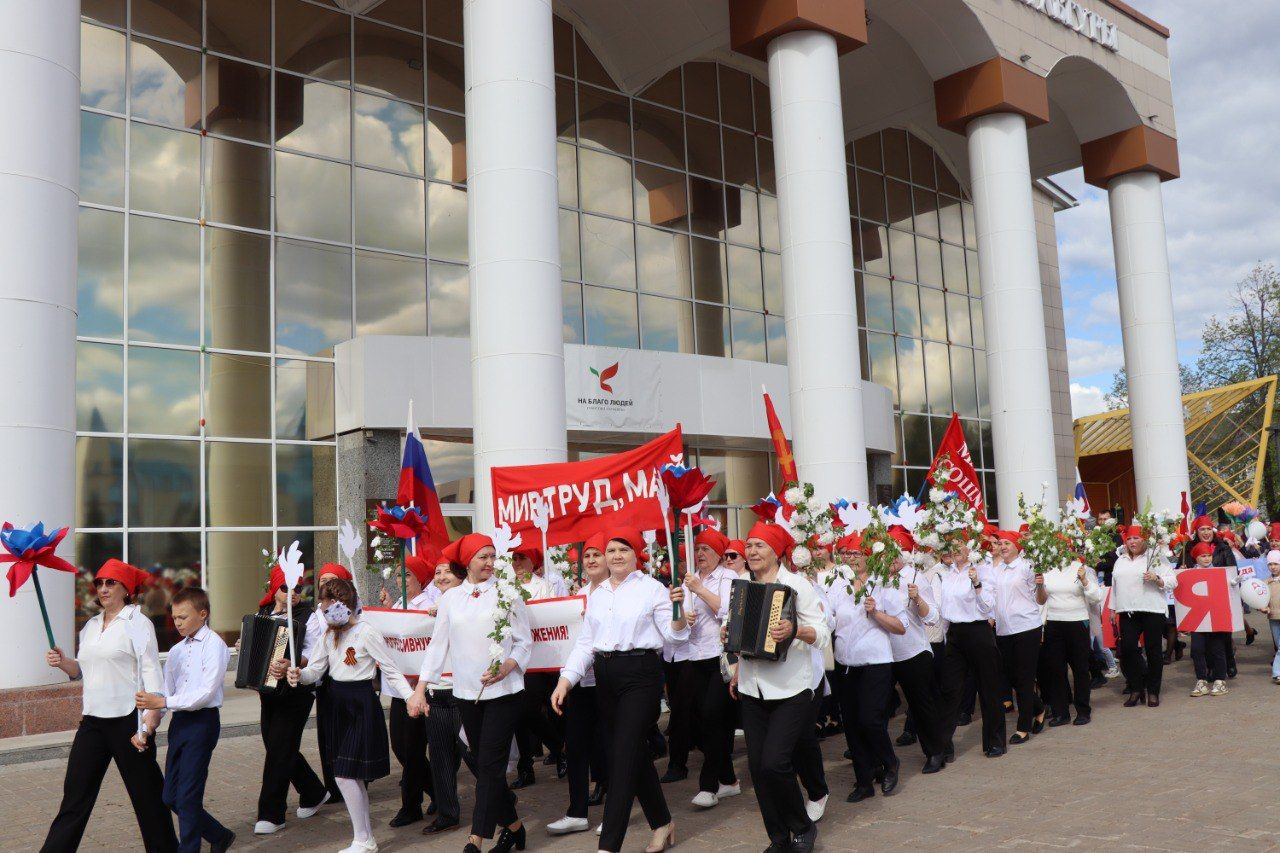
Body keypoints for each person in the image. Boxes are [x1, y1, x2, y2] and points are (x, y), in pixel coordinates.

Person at [551, 527, 687, 853]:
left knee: (622, 755)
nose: (615, 556)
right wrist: (565, 681)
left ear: (636, 554)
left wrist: (680, 613)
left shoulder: (653, 589)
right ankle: (662, 822)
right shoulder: (597, 595)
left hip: (641, 675)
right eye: (610, 550)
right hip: (605, 677)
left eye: (623, 550)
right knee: (632, 754)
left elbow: (675, 636)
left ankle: (609, 845)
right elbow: (586, 644)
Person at [41, 559, 178, 853]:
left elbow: (153, 674)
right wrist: (64, 663)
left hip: (129, 720)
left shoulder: (138, 623)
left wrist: (148, 726)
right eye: (99, 583)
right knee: (74, 798)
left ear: (126, 589)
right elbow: (84, 671)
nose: (103, 588)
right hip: (92, 721)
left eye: (110, 583)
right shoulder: (90, 626)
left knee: (148, 798)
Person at [408, 533, 532, 853]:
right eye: (483, 557)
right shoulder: (450, 599)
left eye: (493, 556)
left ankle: (475, 839)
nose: (490, 563)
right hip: (467, 695)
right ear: (467, 562)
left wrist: (506, 667)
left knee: (489, 766)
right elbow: (438, 646)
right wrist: (421, 689)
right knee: (484, 764)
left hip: (504, 691)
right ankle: (515, 828)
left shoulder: (508, 593)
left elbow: (524, 642)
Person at [287, 577, 414, 853]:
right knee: (349, 775)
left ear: (341, 604)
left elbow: (390, 668)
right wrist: (298, 673)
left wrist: (411, 697)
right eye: (321, 603)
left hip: (361, 704)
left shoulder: (366, 632)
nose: (321, 608)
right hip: (337, 705)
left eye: (325, 603)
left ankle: (362, 838)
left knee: (345, 775)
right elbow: (315, 671)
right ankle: (365, 837)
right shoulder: (329, 635)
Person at [727, 521, 830, 853]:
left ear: (776, 551)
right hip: (751, 688)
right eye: (750, 545)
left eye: (760, 546)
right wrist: (729, 642)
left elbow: (822, 634)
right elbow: (735, 631)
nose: (752, 552)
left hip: (791, 689)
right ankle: (778, 838)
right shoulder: (741, 585)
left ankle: (802, 828)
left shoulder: (797, 584)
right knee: (758, 768)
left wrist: (794, 629)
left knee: (775, 762)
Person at [134, 587, 234, 853]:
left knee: (188, 797)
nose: (177, 623)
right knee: (171, 796)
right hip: (181, 724)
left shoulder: (216, 645)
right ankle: (218, 834)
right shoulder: (176, 651)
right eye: (175, 617)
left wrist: (163, 702)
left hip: (203, 723)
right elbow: (166, 693)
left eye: (184, 617)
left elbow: (205, 694)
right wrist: (145, 727)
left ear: (203, 614)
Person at [253, 566, 330, 835]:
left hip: (297, 691)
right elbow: (259, 647)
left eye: (298, 589)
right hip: (270, 691)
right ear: (275, 589)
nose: (294, 594)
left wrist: (294, 662)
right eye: (287, 588)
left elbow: (316, 651)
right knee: (277, 746)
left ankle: (272, 814)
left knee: (279, 749)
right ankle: (313, 792)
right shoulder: (263, 614)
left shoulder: (308, 617)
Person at [828, 538, 905, 804]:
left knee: (870, 719)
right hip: (846, 662)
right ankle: (864, 781)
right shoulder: (837, 585)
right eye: (846, 553)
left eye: (855, 552)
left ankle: (889, 761)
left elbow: (900, 626)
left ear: (869, 556)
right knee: (851, 723)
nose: (850, 557)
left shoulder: (883, 584)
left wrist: (876, 613)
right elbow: (827, 618)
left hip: (876, 660)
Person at [667, 528, 739, 807]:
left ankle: (708, 786)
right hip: (694, 656)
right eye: (697, 549)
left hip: (721, 656)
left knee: (712, 716)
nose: (699, 554)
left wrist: (699, 589)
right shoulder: (687, 582)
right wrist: (683, 615)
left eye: (706, 549)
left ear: (719, 554)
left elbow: (728, 609)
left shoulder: (728, 577)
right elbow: (678, 624)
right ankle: (729, 780)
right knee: (703, 720)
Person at [547, 533, 610, 835]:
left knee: (610, 744)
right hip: (579, 682)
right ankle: (577, 811)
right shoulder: (577, 595)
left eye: (597, 554)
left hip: (610, 680)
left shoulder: (616, 592)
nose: (592, 560)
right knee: (575, 745)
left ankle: (614, 809)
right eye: (587, 556)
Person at [378, 553, 439, 828]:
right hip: (398, 687)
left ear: (419, 579)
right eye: (400, 575)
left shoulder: (429, 605)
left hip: (418, 687)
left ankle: (410, 805)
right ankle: (438, 790)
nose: (402, 579)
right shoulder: (401, 602)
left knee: (413, 748)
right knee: (400, 747)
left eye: (408, 575)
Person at [882, 533, 948, 774]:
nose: (887, 560)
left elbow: (932, 618)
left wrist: (917, 597)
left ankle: (935, 751)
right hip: (883, 654)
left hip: (912, 651)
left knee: (922, 705)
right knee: (878, 707)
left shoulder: (914, 577)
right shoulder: (876, 579)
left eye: (891, 555)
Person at [419, 558, 475, 836]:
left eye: (448, 572)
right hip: (435, 692)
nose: (441, 576)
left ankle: (501, 799)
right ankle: (447, 813)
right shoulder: (423, 610)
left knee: (472, 753)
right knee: (440, 756)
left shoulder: (467, 605)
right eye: (437, 572)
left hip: (462, 691)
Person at [937, 543, 1006, 758]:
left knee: (988, 688)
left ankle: (995, 741)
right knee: (950, 690)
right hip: (955, 633)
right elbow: (944, 608)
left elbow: (988, 606)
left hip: (978, 630)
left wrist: (977, 583)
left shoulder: (984, 571)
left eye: (959, 546)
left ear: (970, 548)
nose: (955, 550)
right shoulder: (947, 574)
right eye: (951, 547)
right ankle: (942, 747)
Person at [512, 545, 563, 788]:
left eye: (523, 558)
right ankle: (526, 768)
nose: (518, 564)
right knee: (519, 716)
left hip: (538, 659)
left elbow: (547, 618)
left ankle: (559, 747)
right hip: (513, 660)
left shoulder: (543, 586)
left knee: (530, 709)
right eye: (514, 559)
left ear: (533, 562)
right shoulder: (506, 586)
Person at [990, 530, 1047, 744]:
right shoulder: (996, 570)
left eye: (1007, 543)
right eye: (1000, 543)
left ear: (1017, 546)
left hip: (1027, 627)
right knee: (1012, 677)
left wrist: (1041, 585)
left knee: (1024, 678)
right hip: (1004, 630)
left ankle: (1023, 727)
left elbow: (1041, 600)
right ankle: (1039, 708)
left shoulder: (1027, 566)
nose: (1002, 546)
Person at [1111, 525, 1178, 708]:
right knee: (1128, 650)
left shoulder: (1156, 556)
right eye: (1129, 539)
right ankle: (1136, 688)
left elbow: (1173, 581)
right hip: (1127, 611)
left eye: (1136, 538)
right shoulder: (1121, 560)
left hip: (1151, 610)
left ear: (1144, 540)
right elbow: (1115, 586)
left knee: (1153, 650)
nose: (1132, 542)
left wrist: (1157, 578)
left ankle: (1153, 691)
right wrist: (1112, 609)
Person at [1041, 557, 1104, 726]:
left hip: (1077, 622)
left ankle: (1083, 710)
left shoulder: (1081, 568)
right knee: (1056, 669)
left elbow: (1097, 597)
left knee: (1080, 668)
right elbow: (1041, 599)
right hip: (1054, 622)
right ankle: (1060, 713)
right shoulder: (1048, 568)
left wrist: (1084, 580)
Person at [1187, 542, 1234, 698]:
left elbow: (1228, 590)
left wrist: (1233, 582)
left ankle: (1220, 680)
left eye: (1208, 555)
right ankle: (1201, 680)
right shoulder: (1190, 573)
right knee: (1196, 650)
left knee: (1218, 649)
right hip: (1198, 617)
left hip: (1216, 615)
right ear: (1196, 557)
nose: (1207, 559)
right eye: (1203, 556)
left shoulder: (1219, 572)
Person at [1262, 550, 1280, 685]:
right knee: (1279, 645)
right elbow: (1260, 598)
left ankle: (1277, 673)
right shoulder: (1266, 582)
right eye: (1270, 564)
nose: (1273, 567)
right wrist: (1262, 607)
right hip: (1273, 617)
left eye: (1276, 564)